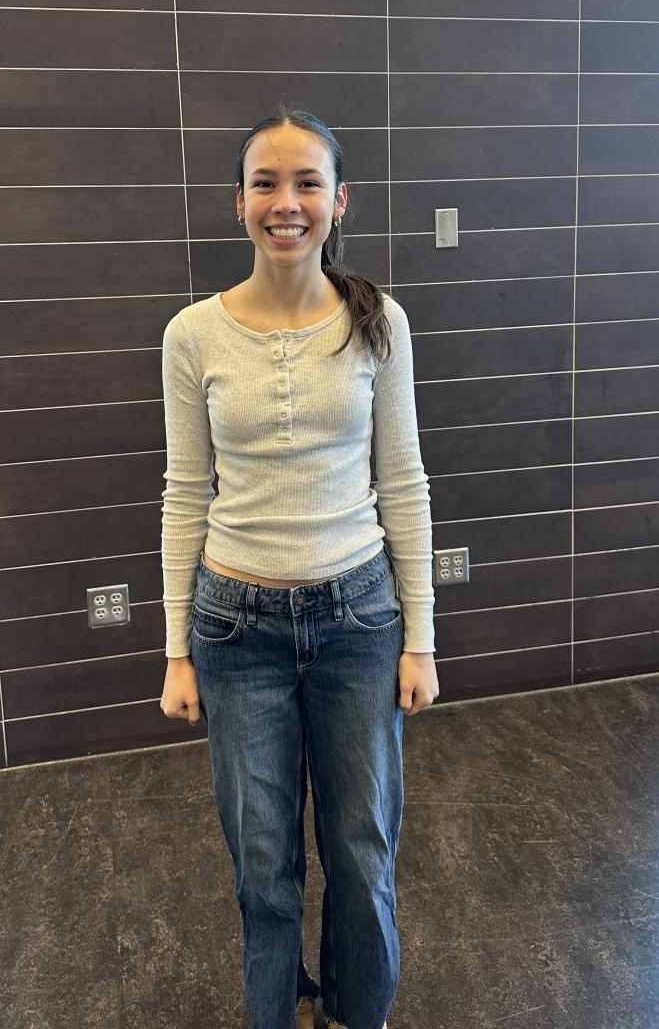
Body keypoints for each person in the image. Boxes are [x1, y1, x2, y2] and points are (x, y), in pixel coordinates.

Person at [159, 105, 440, 1029]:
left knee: (362, 852)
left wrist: (421, 641)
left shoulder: (377, 322)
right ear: (238, 202)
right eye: (267, 183)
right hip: (235, 630)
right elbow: (184, 494)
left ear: (339, 201)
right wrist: (177, 652)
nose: (287, 202)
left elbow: (404, 482)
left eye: (308, 182)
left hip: (360, 622)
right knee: (262, 863)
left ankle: (358, 1013)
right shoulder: (193, 334)